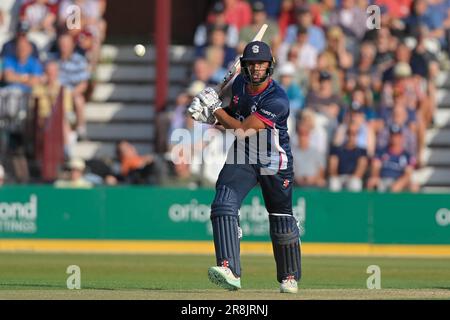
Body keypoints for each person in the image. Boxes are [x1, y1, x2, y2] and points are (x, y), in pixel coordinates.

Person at [188, 41, 301, 293]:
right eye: (251, 64)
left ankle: (289, 276)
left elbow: (243, 129)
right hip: (244, 155)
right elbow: (235, 117)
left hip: (274, 160)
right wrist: (208, 117)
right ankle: (229, 269)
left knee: (281, 220)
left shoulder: (278, 99)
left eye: (261, 64)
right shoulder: (239, 83)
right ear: (245, 66)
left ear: (270, 66)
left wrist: (215, 109)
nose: (256, 68)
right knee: (223, 204)